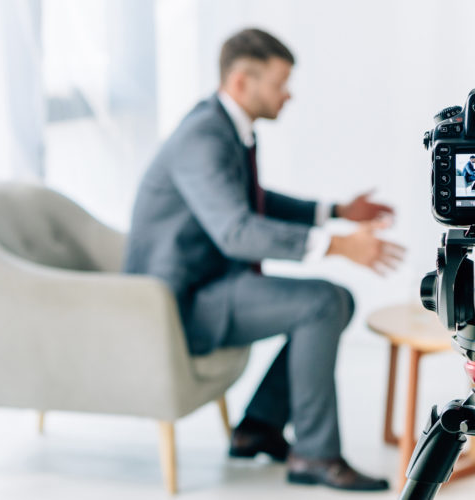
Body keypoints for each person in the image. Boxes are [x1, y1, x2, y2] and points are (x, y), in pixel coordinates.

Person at [125, 28, 404, 491]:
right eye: (279, 83)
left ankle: (258, 428)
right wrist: (337, 245)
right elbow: (237, 231)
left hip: (210, 284)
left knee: (336, 301)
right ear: (241, 83)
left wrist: (334, 212)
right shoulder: (204, 137)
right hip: (176, 304)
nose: (288, 94)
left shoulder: (222, 126)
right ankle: (314, 456)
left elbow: (253, 200)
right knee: (322, 302)